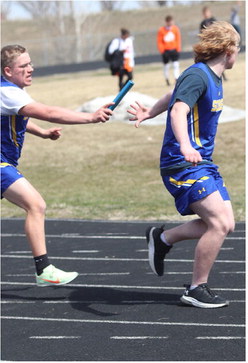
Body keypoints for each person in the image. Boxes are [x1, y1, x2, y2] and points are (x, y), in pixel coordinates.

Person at [128, 21, 240, 308]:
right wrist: (186, 145)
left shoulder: (208, 77)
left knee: (226, 223)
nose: (239, 53)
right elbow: (179, 109)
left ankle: (163, 238)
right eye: (238, 48)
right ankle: (195, 288)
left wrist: (150, 111)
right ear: (228, 51)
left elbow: (173, 93)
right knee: (218, 223)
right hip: (182, 163)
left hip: (202, 162)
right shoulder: (200, 75)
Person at [1, 44, 113, 287]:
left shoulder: (9, 92)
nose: (31, 69)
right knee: (36, 205)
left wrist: (41, 133)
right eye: (24, 66)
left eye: (30, 63)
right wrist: (90, 117)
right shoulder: (9, 93)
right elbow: (49, 111)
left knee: (34, 205)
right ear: (8, 71)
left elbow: (15, 116)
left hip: (5, 162)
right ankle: (44, 270)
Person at [157, 15, 181, 86]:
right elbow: (159, 41)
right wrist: (162, 51)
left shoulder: (175, 29)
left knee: (175, 65)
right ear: (166, 22)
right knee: (166, 66)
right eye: (169, 22)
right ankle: (167, 79)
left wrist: (178, 48)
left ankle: (176, 78)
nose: (170, 23)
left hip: (174, 50)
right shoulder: (162, 30)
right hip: (166, 51)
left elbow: (178, 39)